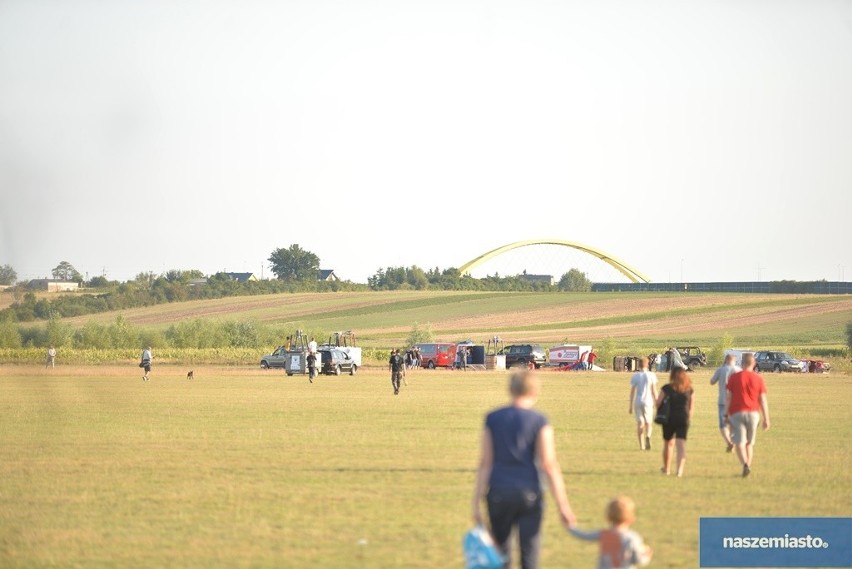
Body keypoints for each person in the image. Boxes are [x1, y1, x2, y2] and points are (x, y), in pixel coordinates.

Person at [471, 369, 576, 568]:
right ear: (535, 392)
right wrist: (563, 505)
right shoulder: (539, 420)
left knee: (501, 555)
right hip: (530, 493)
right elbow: (548, 464)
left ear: (510, 389)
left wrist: (476, 501)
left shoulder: (492, 418)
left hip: (498, 492)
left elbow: (486, 462)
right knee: (530, 554)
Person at [568, 495, 653, 569]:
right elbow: (638, 559)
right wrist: (646, 556)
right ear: (631, 518)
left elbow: (584, 535)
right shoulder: (632, 538)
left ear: (608, 517)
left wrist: (570, 526)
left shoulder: (604, 534)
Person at [725, 353, 771, 478]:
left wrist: (725, 414)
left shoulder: (734, 377)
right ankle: (747, 466)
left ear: (742, 363)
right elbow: (762, 400)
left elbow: (728, 397)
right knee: (749, 443)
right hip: (753, 413)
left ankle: (745, 465)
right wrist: (766, 418)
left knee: (739, 442)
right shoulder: (758, 378)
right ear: (754, 363)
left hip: (737, 412)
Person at [655, 367, 694, 477]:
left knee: (668, 444)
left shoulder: (666, 388)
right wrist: (687, 420)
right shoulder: (689, 389)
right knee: (681, 445)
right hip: (683, 419)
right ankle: (679, 471)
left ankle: (666, 469)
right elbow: (691, 407)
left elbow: (658, 404)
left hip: (669, 419)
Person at [710, 354, 741, 452]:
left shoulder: (721, 370)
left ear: (726, 360)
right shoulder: (738, 370)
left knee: (723, 425)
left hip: (723, 401)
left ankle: (729, 442)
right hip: (736, 401)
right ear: (734, 360)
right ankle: (732, 440)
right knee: (733, 423)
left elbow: (712, 381)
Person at [628, 357, 658, 451]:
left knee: (640, 423)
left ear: (638, 365)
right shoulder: (651, 375)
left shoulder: (636, 376)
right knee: (648, 423)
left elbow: (632, 392)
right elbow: (654, 391)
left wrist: (630, 406)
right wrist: (657, 402)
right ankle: (648, 435)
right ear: (647, 364)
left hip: (638, 401)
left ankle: (642, 446)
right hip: (648, 401)